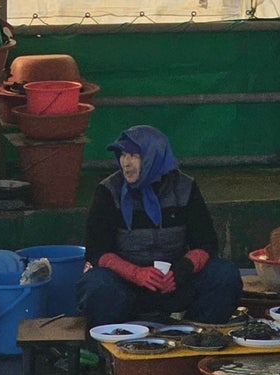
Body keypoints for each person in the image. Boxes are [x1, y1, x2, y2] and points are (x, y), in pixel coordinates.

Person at [77, 125, 243, 328]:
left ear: (153, 156)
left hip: (173, 284)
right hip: (125, 286)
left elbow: (206, 244)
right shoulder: (108, 191)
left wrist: (179, 272)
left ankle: (197, 336)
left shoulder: (184, 188)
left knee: (224, 274)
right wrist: (137, 274)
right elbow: (97, 252)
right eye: (122, 155)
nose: (125, 163)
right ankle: (112, 347)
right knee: (96, 285)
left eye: (134, 156)